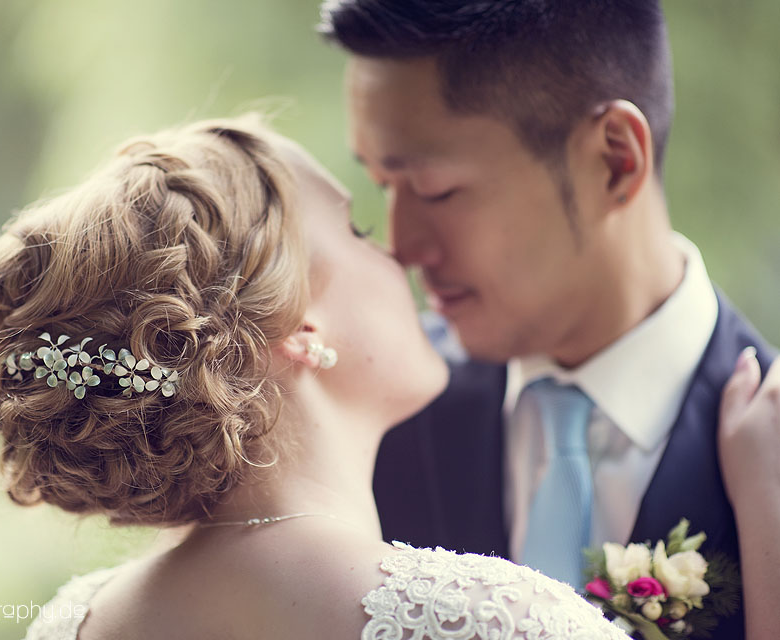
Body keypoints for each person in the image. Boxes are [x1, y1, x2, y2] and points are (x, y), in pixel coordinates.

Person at [0, 115, 638, 639]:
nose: (397, 251)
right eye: (358, 228)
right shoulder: (499, 622)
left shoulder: (74, 625)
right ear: (302, 326)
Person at [318, 1, 778, 638]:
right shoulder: (372, 419)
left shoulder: (770, 465)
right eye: (380, 185)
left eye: (435, 190)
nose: (402, 246)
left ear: (616, 160)